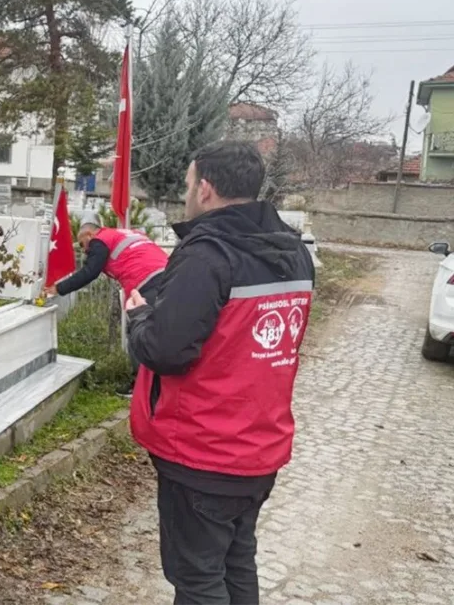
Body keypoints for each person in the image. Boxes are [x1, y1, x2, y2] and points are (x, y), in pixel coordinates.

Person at [124, 141, 315, 605]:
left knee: (197, 580)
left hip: (202, 452)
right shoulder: (293, 252)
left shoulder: (207, 256)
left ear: (205, 189)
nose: (187, 194)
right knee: (235, 562)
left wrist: (139, 317)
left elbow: (166, 350)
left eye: (189, 185)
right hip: (258, 446)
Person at [45, 212, 169, 397]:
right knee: (161, 332)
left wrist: (58, 288)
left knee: (138, 331)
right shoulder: (122, 233)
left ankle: (141, 387)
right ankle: (162, 385)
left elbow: (89, 272)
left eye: (82, 244)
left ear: (88, 235)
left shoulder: (99, 240)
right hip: (168, 275)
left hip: (145, 281)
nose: (85, 250)